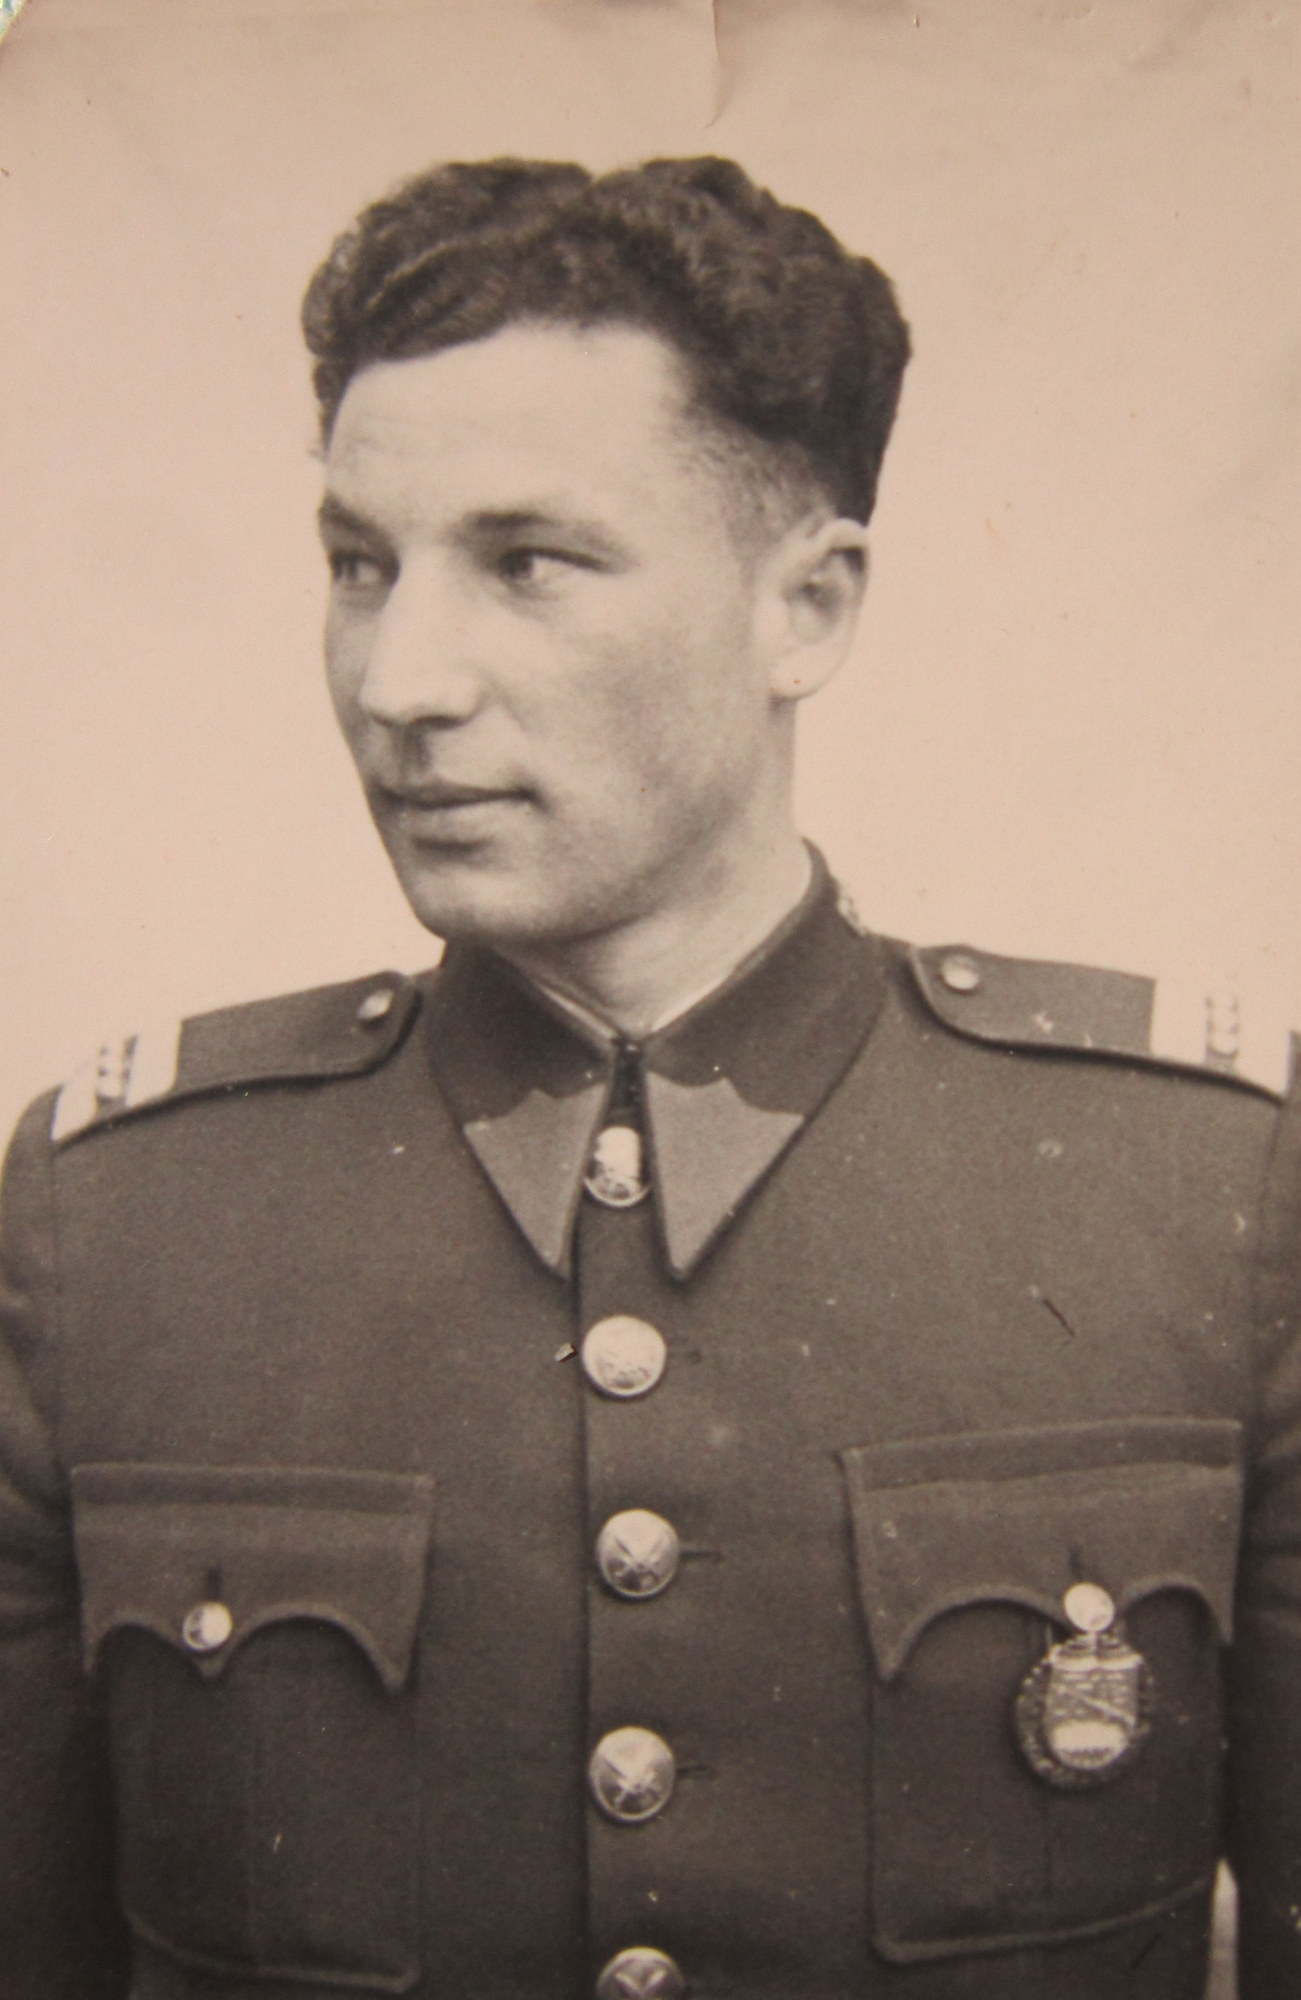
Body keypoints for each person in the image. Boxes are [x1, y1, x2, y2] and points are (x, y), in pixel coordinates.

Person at [0, 154, 1297, 2000]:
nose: (399, 681)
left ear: (807, 609)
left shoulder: (1208, 1194)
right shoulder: (114, 1221)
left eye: (526, 563)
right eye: (360, 566)